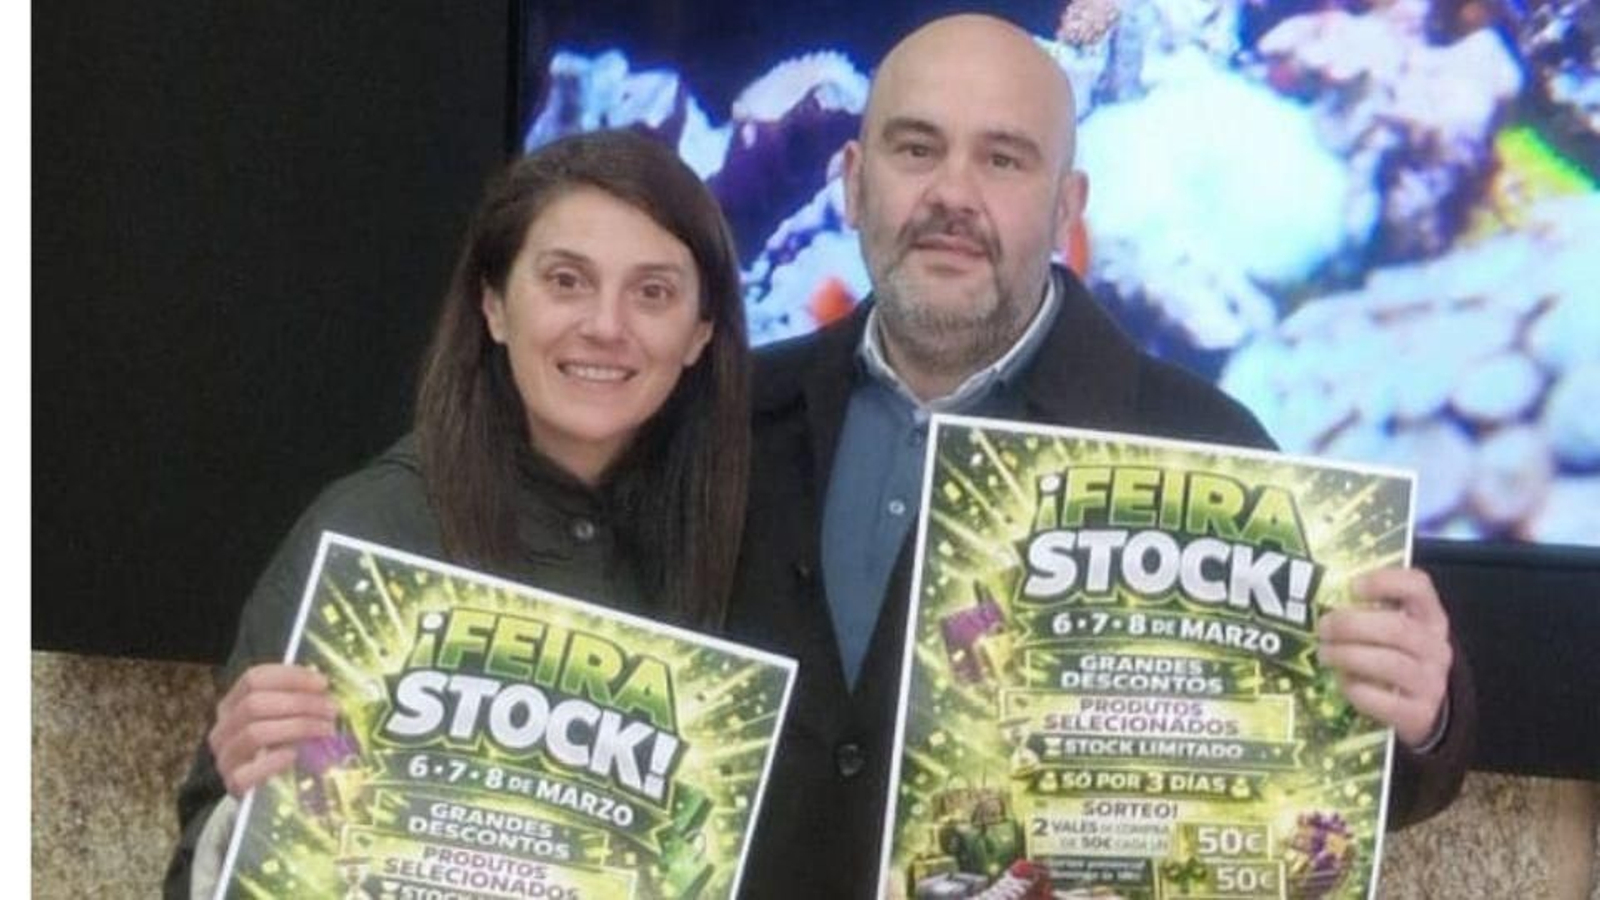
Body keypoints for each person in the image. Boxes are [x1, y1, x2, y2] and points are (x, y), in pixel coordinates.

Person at [726, 13, 1473, 897]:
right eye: (916, 149)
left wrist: (1423, 712)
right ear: (853, 184)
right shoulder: (728, 418)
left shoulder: (1204, 443)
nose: (952, 194)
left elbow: (1348, 777)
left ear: (1067, 209)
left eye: (1004, 159)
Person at [163, 129, 751, 898]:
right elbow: (196, 874)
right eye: (567, 280)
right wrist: (248, 804)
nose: (607, 325)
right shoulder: (371, 532)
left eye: (653, 292)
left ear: (701, 332)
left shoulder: (754, 536)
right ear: (494, 305)